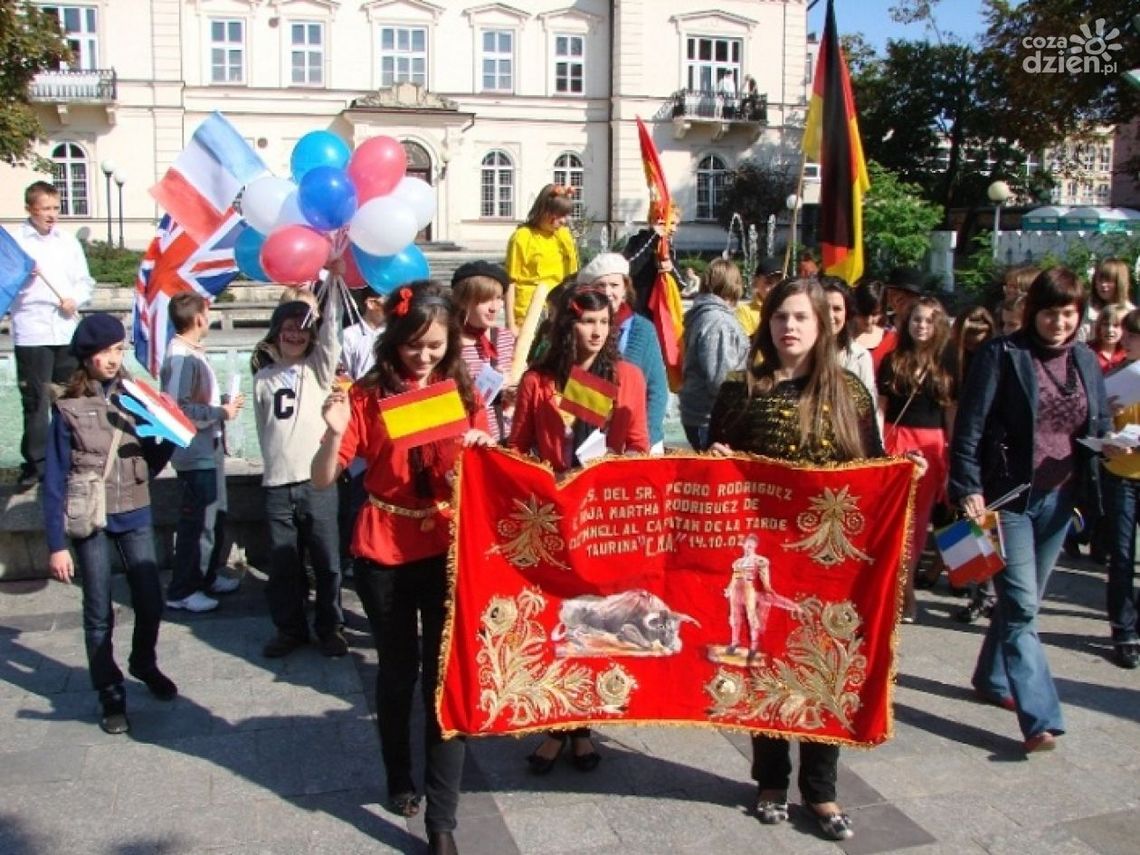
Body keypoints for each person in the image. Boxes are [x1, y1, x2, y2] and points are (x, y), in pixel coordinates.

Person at [707, 278, 905, 842]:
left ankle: (821, 789)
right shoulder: (742, 388)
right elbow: (711, 458)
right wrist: (715, 458)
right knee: (766, 664)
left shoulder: (848, 392)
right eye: (779, 317)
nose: (788, 327)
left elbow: (872, 467)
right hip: (763, 553)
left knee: (823, 668)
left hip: (828, 559)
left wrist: (901, 477)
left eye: (800, 318)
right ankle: (770, 781)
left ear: (822, 325)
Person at [312, 281, 493, 855]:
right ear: (394, 339)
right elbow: (323, 477)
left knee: (444, 680)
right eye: (414, 345)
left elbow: (487, 466)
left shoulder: (460, 389)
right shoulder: (367, 395)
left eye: (435, 346)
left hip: (446, 546)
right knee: (397, 670)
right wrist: (333, 433)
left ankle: (443, 821)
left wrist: (479, 447)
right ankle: (398, 773)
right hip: (384, 548)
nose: (424, 356)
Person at [950, 267, 1108, 755]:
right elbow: (970, 426)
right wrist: (967, 485)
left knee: (1023, 601)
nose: (1059, 323)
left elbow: (1096, 422)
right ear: (1033, 311)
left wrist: (1110, 445)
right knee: (1021, 606)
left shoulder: (1085, 359)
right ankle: (1041, 719)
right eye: (1050, 313)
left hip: (1060, 498)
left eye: (1069, 314)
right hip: (1008, 497)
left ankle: (992, 676)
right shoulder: (1003, 354)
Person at [510, 281, 649, 773]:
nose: (596, 331)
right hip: (554, 513)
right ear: (568, 325)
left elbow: (637, 445)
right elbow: (518, 447)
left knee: (595, 623)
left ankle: (582, 727)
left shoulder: (627, 376)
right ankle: (556, 723)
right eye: (587, 321)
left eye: (604, 322)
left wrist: (611, 472)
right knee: (559, 620)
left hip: (603, 515)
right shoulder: (539, 380)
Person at [42, 314, 177, 734]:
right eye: (105, 351)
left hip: (134, 509)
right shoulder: (67, 407)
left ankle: (143, 662)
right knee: (98, 609)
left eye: (119, 349)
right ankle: (110, 691)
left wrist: (167, 435)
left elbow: (149, 461)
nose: (114, 358)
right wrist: (56, 544)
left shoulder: (135, 397)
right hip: (92, 517)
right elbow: (54, 478)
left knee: (150, 600)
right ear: (87, 357)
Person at [252, 290, 345, 659]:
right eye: (288, 328)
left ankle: (330, 627)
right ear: (276, 333)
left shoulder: (318, 370)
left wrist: (334, 283)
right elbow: (264, 428)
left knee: (326, 560)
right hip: (277, 482)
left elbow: (332, 334)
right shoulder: (263, 377)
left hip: (316, 481)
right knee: (283, 564)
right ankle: (290, 628)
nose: (295, 335)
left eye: (302, 329)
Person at [161, 292, 244, 614]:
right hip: (195, 452)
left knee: (215, 515)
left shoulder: (190, 352)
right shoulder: (181, 357)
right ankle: (183, 589)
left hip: (208, 446)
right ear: (198, 318)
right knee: (198, 523)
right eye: (207, 315)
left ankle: (205, 576)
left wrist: (220, 404)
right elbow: (178, 410)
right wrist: (221, 412)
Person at [8, 181, 95, 489]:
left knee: (69, 397)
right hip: (33, 331)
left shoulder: (67, 242)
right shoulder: (16, 244)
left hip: (65, 330)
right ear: (30, 209)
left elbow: (85, 281)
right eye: (45, 208)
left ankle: (68, 455)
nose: (52, 215)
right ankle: (36, 463)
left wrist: (75, 298)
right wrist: (22, 276)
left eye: (56, 208)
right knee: (35, 401)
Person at [878, 297, 955, 622]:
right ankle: (898, 592)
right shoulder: (893, 360)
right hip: (896, 441)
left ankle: (905, 591)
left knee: (917, 525)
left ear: (939, 326)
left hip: (931, 447)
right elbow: (881, 408)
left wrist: (952, 457)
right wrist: (878, 447)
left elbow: (951, 414)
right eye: (916, 320)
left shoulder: (947, 364)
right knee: (893, 522)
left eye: (928, 321)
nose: (921, 326)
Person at [578, 252, 668, 451]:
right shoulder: (582, 331)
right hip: (592, 443)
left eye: (614, 285)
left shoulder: (643, 329)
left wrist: (644, 439)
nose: (608, 292)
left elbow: (657, 390)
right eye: (601, 286)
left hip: (639, 441)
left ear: (625, 289)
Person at [944, 305, 999, 623]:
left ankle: (988, 593)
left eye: (982, 333)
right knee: (965, 521)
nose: (975, 341)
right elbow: (950, 407)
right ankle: (975, 588)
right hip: (962, 445)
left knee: (987, 524)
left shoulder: (997, 357)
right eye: (969, 335)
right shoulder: (953, 361)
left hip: (992, 449)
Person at [1102, 308, 1140, 669]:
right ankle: (1123, 631)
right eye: (1125, 334)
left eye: (1132, 336)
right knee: (1122, 555)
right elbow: (1097, 422)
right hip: (1120, 474)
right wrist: (1106, 430)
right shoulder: (1114, 375)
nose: (1124, 340)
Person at [679, 259, 749, 451]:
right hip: (710, 417)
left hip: (700, 413)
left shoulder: (704, 315)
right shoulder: (718, 322)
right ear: (735, 284)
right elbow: (720, 378)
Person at [453, 260, 517, 443]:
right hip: (469, 441)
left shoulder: (505, 338)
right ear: (463, 300)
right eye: (485, 299)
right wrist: (478, 388)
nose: (494, 307)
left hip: (506, 439)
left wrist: (514, 391)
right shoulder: (448, 345)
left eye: (499, 298)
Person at [505, 184, 579, 332]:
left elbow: (573, 277)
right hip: (529, 312)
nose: (564, 221)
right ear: (545, 210)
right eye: (560, 215)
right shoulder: (522, 237)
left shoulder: (564, 236)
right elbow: (510, 282)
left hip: (559, 310)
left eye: (566, 215)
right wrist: (511, 324)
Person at [821, 277, 876, 404]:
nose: (829, 315)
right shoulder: (800, 354)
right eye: (823, 307)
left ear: (847, 313)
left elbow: (868, 405)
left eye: (837, 309)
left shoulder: (860, 357)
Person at [623, 199, 681, 318]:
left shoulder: (669, 248)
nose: (674, 229)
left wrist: (671, 269)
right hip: (638, 312)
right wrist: (652, 237)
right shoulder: (638, 241)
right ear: (656, 222)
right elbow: (628, 267)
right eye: (671, 223)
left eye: (676, 224)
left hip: (661, 314)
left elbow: (681, 283)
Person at [1078, 257, 1133, 342]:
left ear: (1119, 283)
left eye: (1109, 280)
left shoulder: (1131, 314)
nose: (1103, 285)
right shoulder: (1084, 308)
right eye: (1100, 280)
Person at [851, 280, 897, 373]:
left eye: (874, 314)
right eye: (863, 313)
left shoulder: (891, 341)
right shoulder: (840, 335)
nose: (868, 320)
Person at [341, 288, 386, 380]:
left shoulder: (394, 334)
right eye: (389, 304)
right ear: (371, 303)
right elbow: (343, 375)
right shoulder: (348, 336)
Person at [736, 257, 782, 338]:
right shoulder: (744, 311)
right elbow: (745, 342)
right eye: (769, 282)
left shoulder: (787, 309)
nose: (774, 287)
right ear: (756, 281)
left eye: (779, 283)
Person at [1089, 302, 1127, 374]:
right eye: (1105, 324)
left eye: (1116, 325)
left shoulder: (1128, 353)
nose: (1110, 330)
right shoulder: (1087, 351)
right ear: (1099, 326)